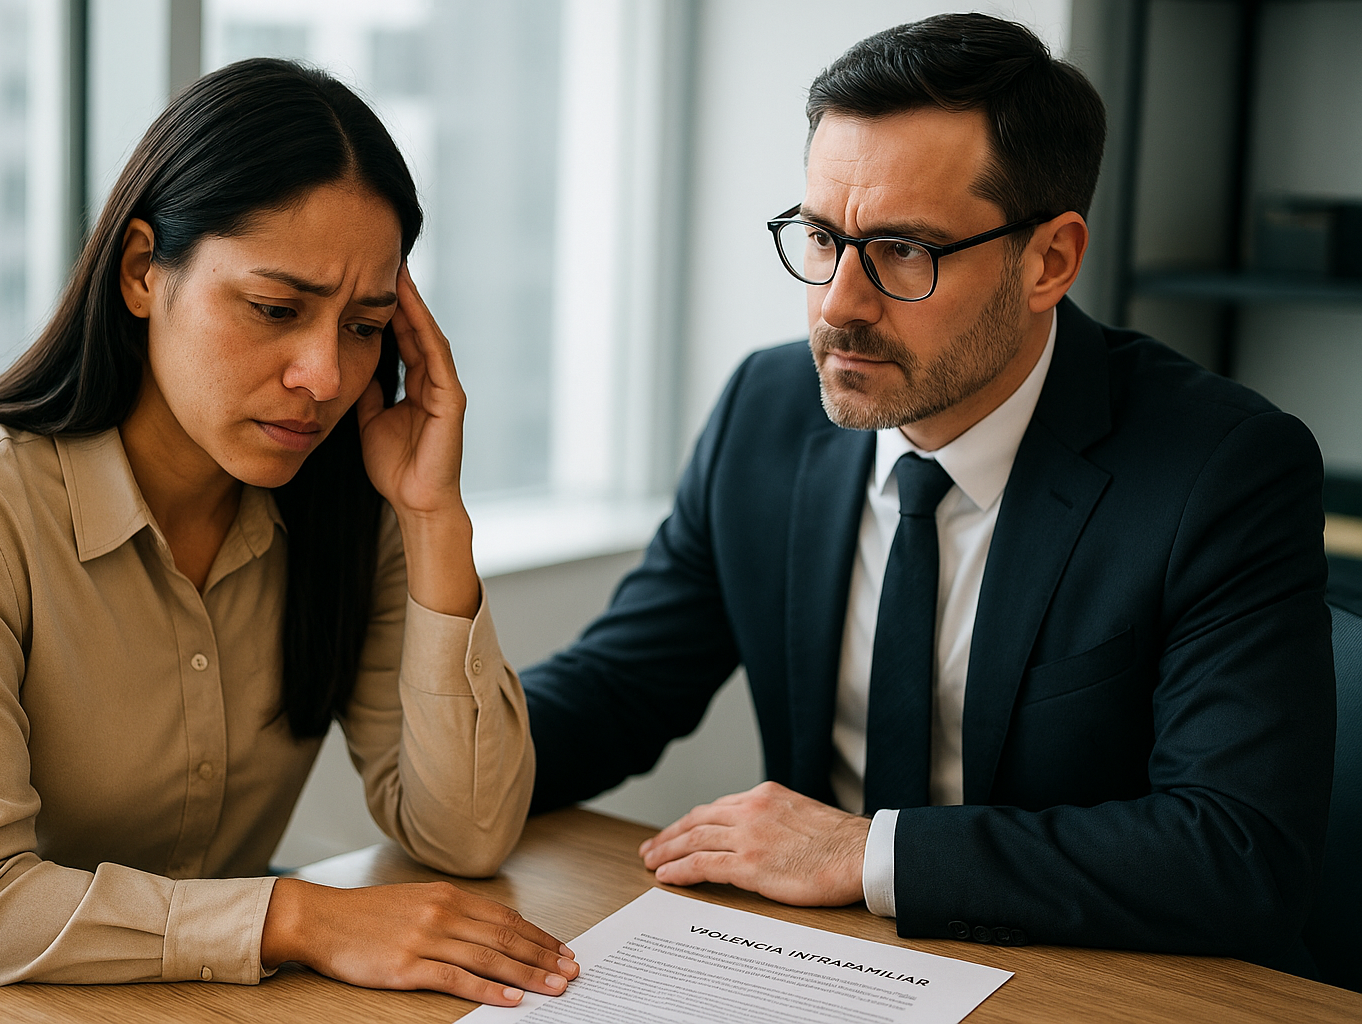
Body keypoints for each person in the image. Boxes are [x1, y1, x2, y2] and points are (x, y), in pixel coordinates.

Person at [524, 13, 1335, 969]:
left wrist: (866, 853)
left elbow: (1236, 854)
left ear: (1049, 261)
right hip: (800, 964)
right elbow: (620, 687)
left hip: (1068, 978)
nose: (839, 304)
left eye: (905, 250)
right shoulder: (765, 409)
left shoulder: (1222, 469)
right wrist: (430, 730)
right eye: (823, 237)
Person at [0, 59, 578, 1023]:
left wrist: (435, 519)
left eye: (365, 326)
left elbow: (465, 835)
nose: (324, 374)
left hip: (194, 988)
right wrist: (302, 916)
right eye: (275, 309)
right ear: (145, 270)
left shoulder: (349, 502)